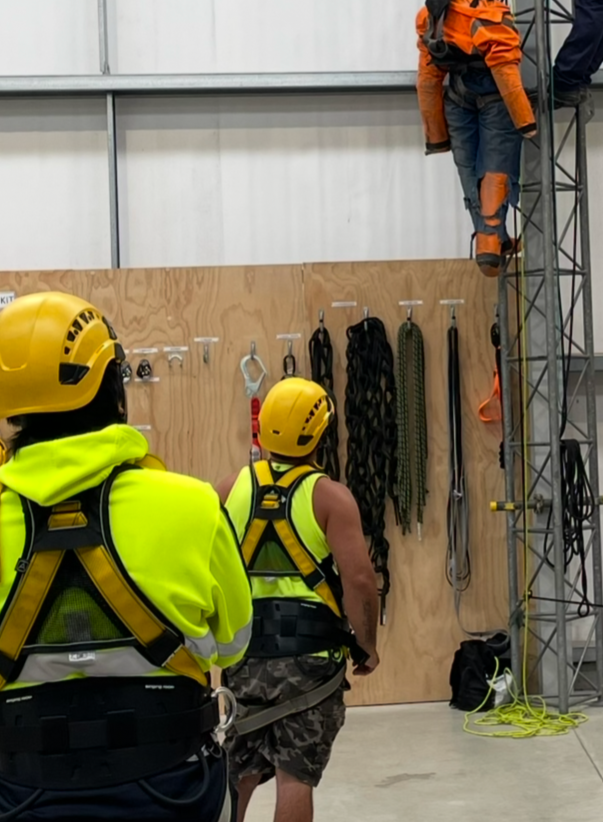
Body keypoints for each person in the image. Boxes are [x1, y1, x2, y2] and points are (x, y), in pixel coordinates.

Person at [0, 291, 252, 820]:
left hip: (21, 790)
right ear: (114, 384)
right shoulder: (193, 506)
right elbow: (233, 645)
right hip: (171, 782)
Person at [216, 377, 379, 822]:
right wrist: (367, 644)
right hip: (310, 659)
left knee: (238, 770)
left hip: (244, 653)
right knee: (294, 775)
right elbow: (360, 580)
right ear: (322, 435)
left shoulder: (230, 488)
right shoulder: (330, 497)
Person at [416, 0, 536, 276]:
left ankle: (494, 239)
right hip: (495, 98)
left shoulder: (430, 16)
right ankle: (488, 241)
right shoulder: (486, 10)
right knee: (495, 167)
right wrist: (525, 121)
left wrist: (436, 137)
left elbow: (427, 80)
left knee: (469, 171)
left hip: (457, 98)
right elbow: (506, 72)